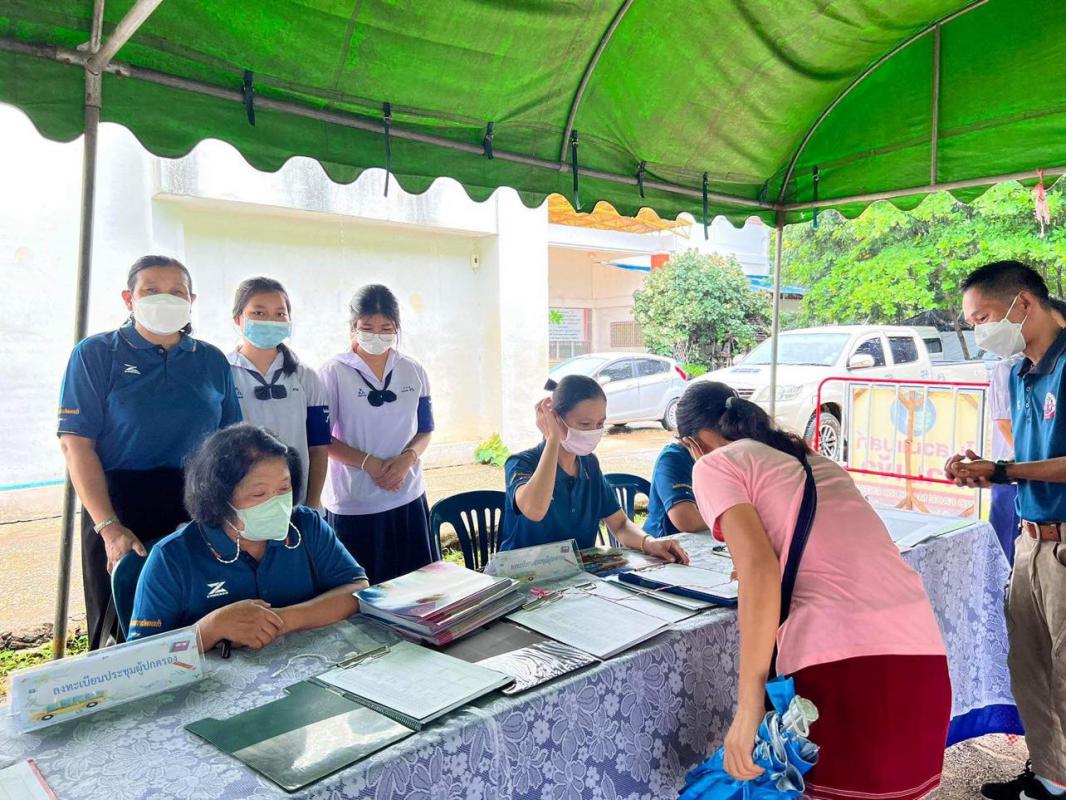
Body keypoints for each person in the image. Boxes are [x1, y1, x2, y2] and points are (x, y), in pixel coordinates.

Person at [682, 381, 949, 798]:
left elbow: (759, 572)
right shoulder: (814, 462)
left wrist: (748, 710)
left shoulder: (713, 464)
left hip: (843, 666)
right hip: (921, 659)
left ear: (692, 444)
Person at [58, 255, 241, 649]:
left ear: (191, 300)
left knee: (200, 620)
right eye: (152, 290)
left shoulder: (211, 360)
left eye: (177, 292)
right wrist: (109, 528)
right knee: (128, 631)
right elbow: (76, 445)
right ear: (129, 298)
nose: (166, 299)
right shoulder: (96, 354)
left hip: (197, 503)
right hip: (120, 506)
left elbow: (231, 443)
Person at [946, 261, 1066, 800]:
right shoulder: (1019, 373)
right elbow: (1029, 457)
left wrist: (1004, 470)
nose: (980, 332)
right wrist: (984, 467)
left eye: (983, 318)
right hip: (1029, 537)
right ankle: (1050, 777)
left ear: (1024, 303)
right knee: (1030, 668)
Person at [128, 424, 367, 649]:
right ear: (218, 499)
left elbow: (357, 590)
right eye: (259, 494)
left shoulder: (306, 525)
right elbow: (139, 657)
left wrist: (282, 621)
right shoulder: (172, 558)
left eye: (284, 489)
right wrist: (210, 629)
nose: (277, 503)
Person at [501, 374, 689, 562]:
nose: (593, 431)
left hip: (577, 573)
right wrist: (553, 439)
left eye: (600, 424)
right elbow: (535, 510)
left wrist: (649, 543)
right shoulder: (521, 463)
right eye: (585, 424)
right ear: (555, 419)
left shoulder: (589, 465)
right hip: (522, 573)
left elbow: (620, 524)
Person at [319, 285, 435, 584]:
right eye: (368, 327)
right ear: (353, 327)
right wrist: (369, 463)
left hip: (407, 495)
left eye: (386, 328)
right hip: (354, 501)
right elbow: (322, 438)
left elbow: (425, 429)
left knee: (418, 590)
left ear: (397, 327)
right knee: (362, 592)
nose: (377, 335)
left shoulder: (413, 370)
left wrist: (407, 459)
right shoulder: (334, 372)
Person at [228, 277, 330, 508]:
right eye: (259, 313)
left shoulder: (305, 377)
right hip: (242, 506)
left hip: (296, 502)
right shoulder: (224, 373)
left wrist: (311, 505)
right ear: (238, 319)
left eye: (280, 314)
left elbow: (318, 449)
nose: (270, 321)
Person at [988, 354, 1023, 564]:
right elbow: (1004, 423)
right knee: (1006, 555)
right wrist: (1031, 462)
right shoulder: (1008, 367)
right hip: (1012, 479)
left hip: (1035, 475)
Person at [643, 441, 708, 537]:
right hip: (664, 539)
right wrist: (728, 517)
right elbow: (688, 521)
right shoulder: (672, 459)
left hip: (704, 537)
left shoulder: (722, 458)